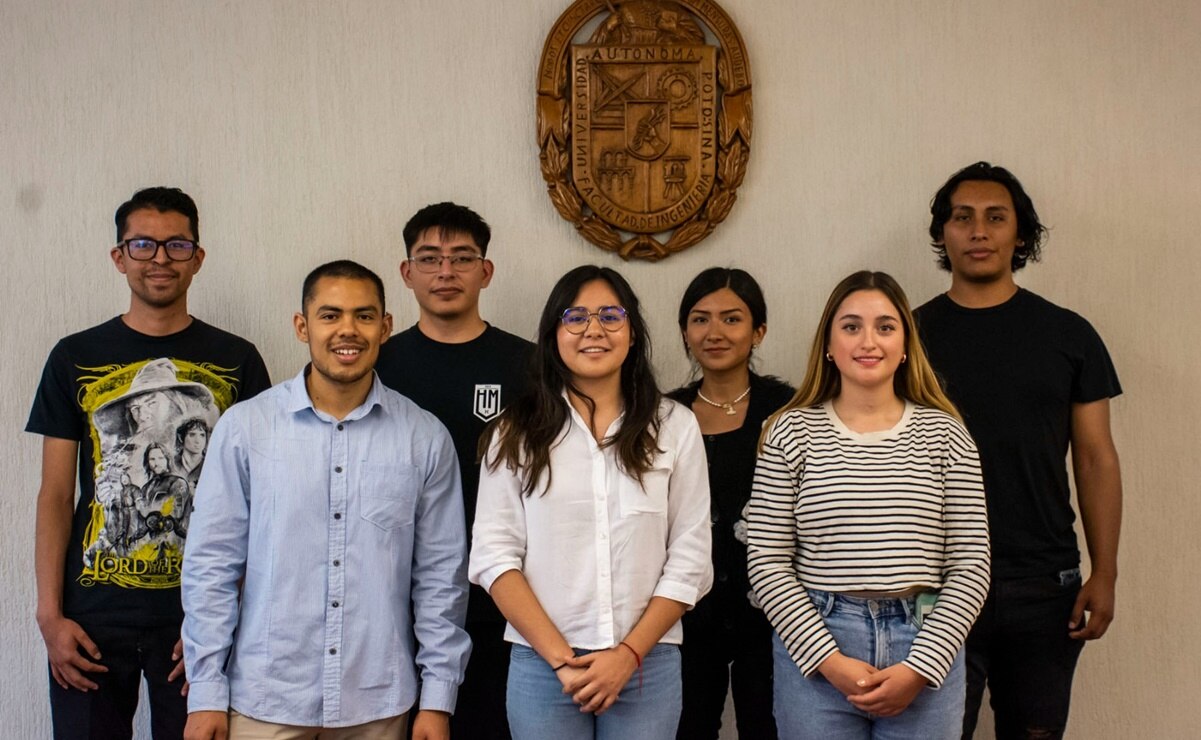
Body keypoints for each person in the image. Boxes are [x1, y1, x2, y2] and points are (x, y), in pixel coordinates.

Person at [181, 260, 470, 740]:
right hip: (266, 700)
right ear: (302, 326)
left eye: (364, 315)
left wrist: (438, 700)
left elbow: (442, 578)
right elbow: (212, 564)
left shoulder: (423, 437)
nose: (348, 331)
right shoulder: (246, 428)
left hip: (378, 702)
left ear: (386, 327)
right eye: (330, 315)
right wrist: (206, 692)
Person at [26, 186, 271, 739]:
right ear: (120, 257)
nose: (160, 258)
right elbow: (54, 493)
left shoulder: (237, 360)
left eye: (176, 245)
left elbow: (260, 499)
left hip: (196, 618)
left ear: (198, 258)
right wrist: (49, 615)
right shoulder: (75, 356)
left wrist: (227, 617)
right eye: (143, 244)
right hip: (91, 618)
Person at [914, 162, 1123, 740]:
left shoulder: (1069, 335)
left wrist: (1104, 571)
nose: (978, 231)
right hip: (933, 578)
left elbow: (1096, 458)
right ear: (941, 234)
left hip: (1043, 580)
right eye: (963, 218)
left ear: (1021, 235)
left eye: (995, 217)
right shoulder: (906, 338)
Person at [468, 265, 713, 739]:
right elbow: (494, 558)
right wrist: (563, 659)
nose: (594, 330)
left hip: (647, 663)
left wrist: (628, 655)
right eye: (575, 317)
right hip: (543, 667)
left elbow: (690, 557)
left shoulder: (675, 427)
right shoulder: (514, 432)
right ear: (553, 334)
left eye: (610, 315)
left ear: (633, 333)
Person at [747, 270, 990, 739]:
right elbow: (767, 560)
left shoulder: (947, 435)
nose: (868, 341)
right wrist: (829, 662)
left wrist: (920, 667)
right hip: (818, 645)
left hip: (924, 641)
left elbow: (971, 564)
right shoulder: (789, 432)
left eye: (885, 326)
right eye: (851, 326)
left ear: (904, 346)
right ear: (828, 344)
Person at [375, 202, 533, 740]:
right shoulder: (378, 365)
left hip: (503, 596)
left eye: (462, 258)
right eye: (430, 258)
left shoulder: (528, 366)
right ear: (407, 272)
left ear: (486, 271)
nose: (446, 272)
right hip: (393, 594)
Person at [665, 267, 792, 740]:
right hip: (684, 616)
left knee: (771, 729)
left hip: (774, 616)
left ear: (758, 331)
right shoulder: (662, 416)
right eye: (700, 319)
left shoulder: (791, 412)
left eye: (731, 319)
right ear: (684, 331)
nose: (714, 332)